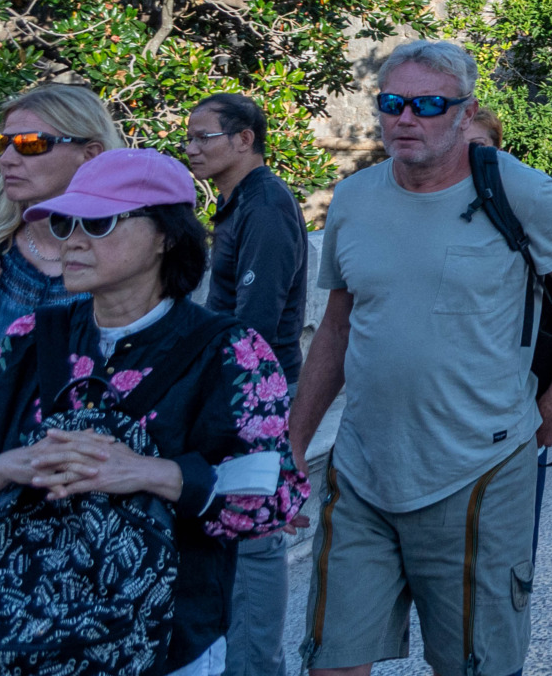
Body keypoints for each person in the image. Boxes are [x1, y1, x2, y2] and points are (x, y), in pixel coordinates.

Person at [290, 40, 552, 676]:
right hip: (361, 469)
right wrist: (296, 442)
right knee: (330, 661)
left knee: (475, 665)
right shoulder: (354, 199)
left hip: (478, 469)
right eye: (392, 103)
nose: (405, 118)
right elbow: (336, 327)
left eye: (427, 106)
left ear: (466, 113)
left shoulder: (522, 193)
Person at [0, 149, 306, 676]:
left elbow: (274, 498)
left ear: (166, 236)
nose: (73, 240)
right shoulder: (26, 341)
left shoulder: (229, 353)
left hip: (167, 647)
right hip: (16, 643)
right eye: (64, 223)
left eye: (99, 222)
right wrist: (8, 466)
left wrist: (149, 473)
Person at [184, 92, 309, 676]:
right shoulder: (237, 203)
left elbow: (255, 321)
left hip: (257, 394)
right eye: (188, 138)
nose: (191, 148)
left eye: (203, 137)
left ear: (243, 139)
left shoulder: (265, 205)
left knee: (256, 539)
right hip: (236, 390)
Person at [0, 83, 117, 356]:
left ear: (90, 154)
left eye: (31, 143)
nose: (6, 159)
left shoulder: (130, 255)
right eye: (3, 144)